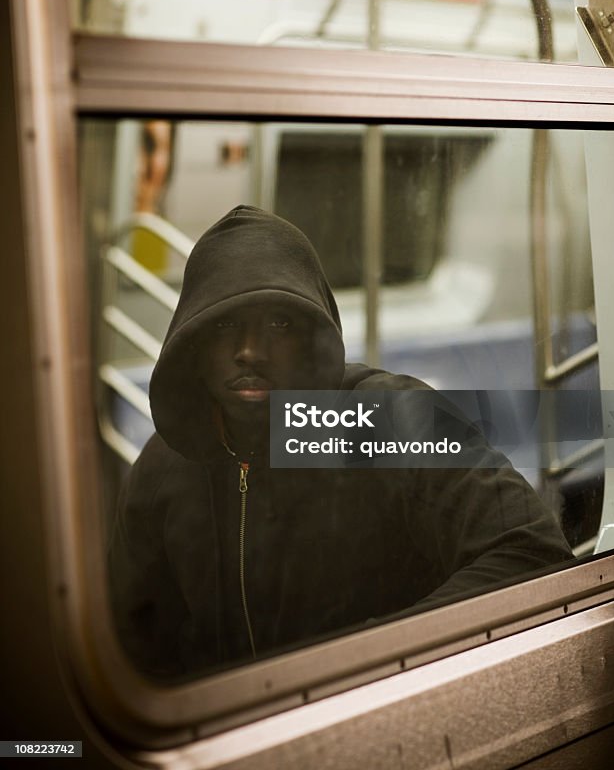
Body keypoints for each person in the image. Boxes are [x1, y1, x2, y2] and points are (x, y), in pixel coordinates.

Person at [109, 205, 573, 678]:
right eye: (225, 325)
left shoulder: (388, 419)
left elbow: (531, 553)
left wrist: (358, 664)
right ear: (195, 345)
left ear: (314, 339)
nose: (249, 350)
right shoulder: (162, 468)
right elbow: (132, 646)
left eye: (279, 324)